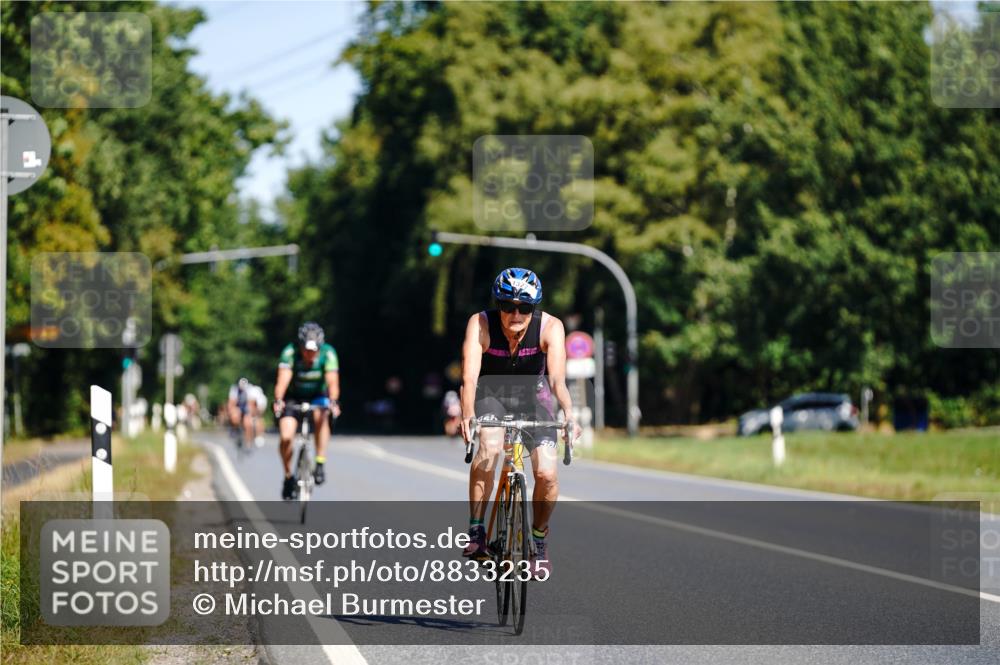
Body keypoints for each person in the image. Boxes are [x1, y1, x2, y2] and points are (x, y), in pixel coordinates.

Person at [459, 268, 580, 578]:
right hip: (492, 397)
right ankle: (477, 531)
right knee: (489, 446)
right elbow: (470, 377)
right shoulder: (481, 323)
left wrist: (569, 413)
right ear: (498, 304)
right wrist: (467, 415)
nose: (515, 314)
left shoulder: (550, 327)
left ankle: (538, 541)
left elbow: (556, 380)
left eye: (525, 308)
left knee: (546, 474)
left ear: (534, 308)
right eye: (507, 306)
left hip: (534, 401)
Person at [272, 322, 341, 500]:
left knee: (322, 414)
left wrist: (333, 401)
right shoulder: (290, 353)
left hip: (318, 395)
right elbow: (283, 379)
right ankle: (288, 476)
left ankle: (320, 462)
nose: (310, 355)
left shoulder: (328, 353)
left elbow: (332, 381)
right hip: (293, 396)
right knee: (286, 437)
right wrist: (279, 400)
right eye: (306, 350)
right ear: (300, 346)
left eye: (314, 351)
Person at [227, 377, 262, 448]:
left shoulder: (250, 390)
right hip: (238, 406)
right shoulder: (234, 389)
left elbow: (251, 404)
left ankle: (248, 441)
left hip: (246, 407)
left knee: (248, 424)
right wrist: (231, 413)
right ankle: (235, 429)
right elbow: (231, 403)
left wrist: (251, 415)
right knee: (234, 416)